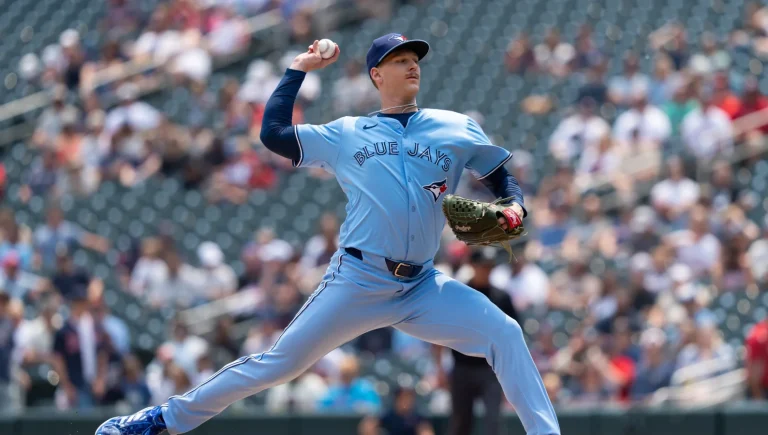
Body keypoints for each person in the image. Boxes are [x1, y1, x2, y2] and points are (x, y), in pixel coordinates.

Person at [96, 34, 560, 435]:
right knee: (278, 364)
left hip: (421, 285)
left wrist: (514, 205)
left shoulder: (456, 126)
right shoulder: (347, 132)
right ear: (377, 75)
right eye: (400, 59)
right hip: (358, 279)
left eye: (415, 58)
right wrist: (297, 69)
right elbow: (274, 133)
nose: (413, 64)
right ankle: (161, 421)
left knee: (505, 331)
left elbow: (500, 175)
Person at [434, 247, 519, 435]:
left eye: (489, 266)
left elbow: (513, 337)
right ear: (471, 265)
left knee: (493, 423)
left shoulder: (502, 297)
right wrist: (439, 367)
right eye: (482, 266)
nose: (486, 270)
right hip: (462, 366)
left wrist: (511, 372)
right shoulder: (458, 293)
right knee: (460, 423)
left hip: (491, 369)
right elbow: (440, 329)